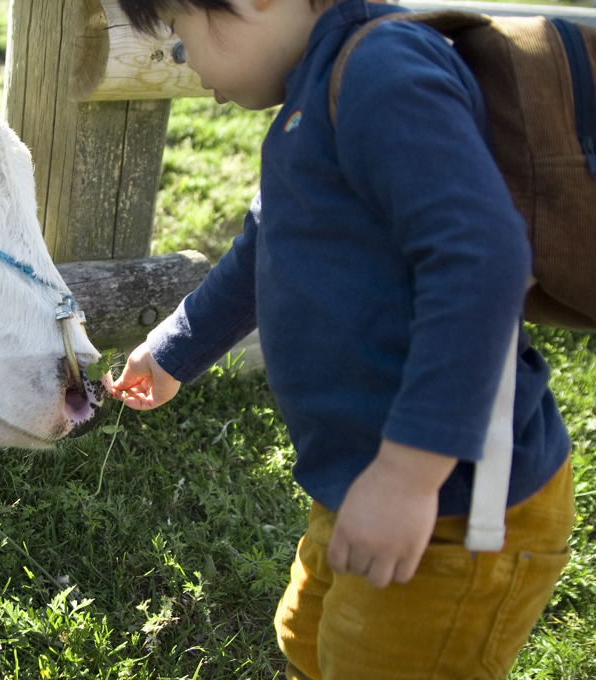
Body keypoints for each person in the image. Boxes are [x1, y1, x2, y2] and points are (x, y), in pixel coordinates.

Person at [111, 0, 575, 678]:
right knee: (309, 646)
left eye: (181, 40)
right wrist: (176, 346)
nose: (189, 65)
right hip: (361, 481)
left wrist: (407, 477)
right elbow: (265, 248)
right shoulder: (316, 95)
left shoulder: (381, 72)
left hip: (452, 503)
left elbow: (481, 259)